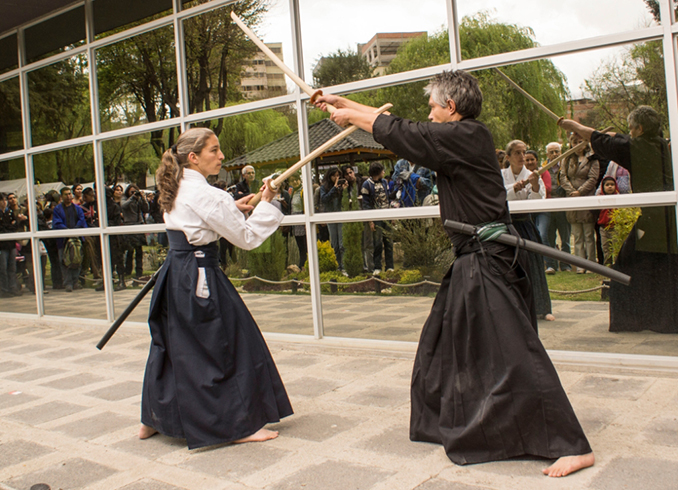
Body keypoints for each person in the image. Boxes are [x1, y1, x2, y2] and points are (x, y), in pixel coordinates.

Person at [315, 70, 593, 477]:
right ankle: (444, 421)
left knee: (515, 350)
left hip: (488, 258)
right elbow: (399, 128)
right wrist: (342, 105)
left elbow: (400, 131)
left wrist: (352, 114)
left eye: (432, 106)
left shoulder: (467, 136)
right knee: (440, 340)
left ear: (451, 107)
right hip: (474, 257)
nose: (428, 114)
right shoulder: (458, 139)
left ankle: (571, 443)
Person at [139, 127, 292, 448]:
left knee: (170, 344)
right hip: (200, 276)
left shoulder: (175, 186)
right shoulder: (209, 195)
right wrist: (268, 203)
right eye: (214, 150)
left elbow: (202, 217)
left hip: (176, 275)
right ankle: (238, 425)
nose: (221, 156)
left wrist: (234, 206)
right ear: (193, 157)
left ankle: (154, 419)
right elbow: (247, 238)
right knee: (227, 343)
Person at [559, 106, 677, 333]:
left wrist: (572, 125)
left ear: (640, 129)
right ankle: (661, 320)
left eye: (632, 129)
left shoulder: (637, 148)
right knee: (660, 268)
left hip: (654, 222)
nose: (630, 133)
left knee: (625, 269)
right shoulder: (661, 144)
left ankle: (633, 321)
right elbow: (615, 138)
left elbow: (601, 138)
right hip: (668, 219)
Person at [501, 140, 555, 321]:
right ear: (508, 157)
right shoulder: (500, 175)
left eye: (524, 152)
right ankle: (510, 307)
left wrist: (534, 186)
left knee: (532, 263)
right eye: (517, 153)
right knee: (507, 264)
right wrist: (513, 188)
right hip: (506, 225)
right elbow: (495, 195)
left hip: (525, 224)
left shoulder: (533, 175)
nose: (522, 157)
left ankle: (541, 308)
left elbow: (538, 202)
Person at [560, 133, 600, 273]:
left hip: (587, 197)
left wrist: (580, 192)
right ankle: (580, 265)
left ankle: (591, 264)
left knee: (589, 234)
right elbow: (563, 176)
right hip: (571, 199)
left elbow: (593, 178)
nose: (578, 145)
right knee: (577, 234)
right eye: (575, 142)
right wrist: (571, 191)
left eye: (580, 142)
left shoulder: (592, 159)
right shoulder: (567, 159)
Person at [361, 162, 394, 275]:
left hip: (387, 215)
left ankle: (390, 266)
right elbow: (365, 204)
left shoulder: (385, 182)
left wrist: (392, 215)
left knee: (389, 241)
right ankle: (377, 266)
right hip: (376, 217)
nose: (384, 172)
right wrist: (370, 220)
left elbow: (388, 199)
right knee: (377, 242)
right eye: (382, 171)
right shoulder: (367, 184)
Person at [545, 142, 573, 274]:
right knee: (550, 238)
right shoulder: (543, 169)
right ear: (547, 154)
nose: (555, 154)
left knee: (565, 238)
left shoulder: (566, 168)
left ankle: (566, 265)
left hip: (563, 206)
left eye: (557, 151)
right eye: (552, 152)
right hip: (549, 208)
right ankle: (552, 265)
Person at [52, 187, 87, 292]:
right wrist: (66, 231)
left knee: (77, 259)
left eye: (69, 194)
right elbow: (56, 223)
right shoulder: (57, 209)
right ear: (61, 196)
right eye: (66, 194)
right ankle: (68, 283)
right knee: (64, 261)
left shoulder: (77, 208)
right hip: (63, 240)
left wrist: (75, 231)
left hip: (76, 239)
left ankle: (75, 281)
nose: (68, 196)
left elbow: (81, 220)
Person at [319, 167, 347, 272]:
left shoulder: (341, 187)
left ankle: (344, 266)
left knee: (342, 243)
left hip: (340, 216)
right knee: (334, 243)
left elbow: (345, 201)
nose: (336, 178)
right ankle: (337, 266)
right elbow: (325, 199)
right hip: (330, 216)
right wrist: (334, 188)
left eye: (338, 175)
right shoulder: (324, 187)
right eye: (334, 175)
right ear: (329, 176)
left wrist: (344, 190)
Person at [121, 184, 148, 280]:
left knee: (139, 249)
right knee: (130, 249)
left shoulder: (138, 199)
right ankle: (128, 270)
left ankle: (139, 271)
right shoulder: (125, 198)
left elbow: (146, 209)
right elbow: (123, 206)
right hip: (129, 225)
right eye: (131, 191)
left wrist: (142, 198)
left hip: (139, 224)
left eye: (135, 191)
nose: (133, 193)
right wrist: (132, 197)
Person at [596, 176, 619, 266]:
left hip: (616, 227)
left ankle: (617, 266)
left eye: (612, 185)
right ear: (603, 187)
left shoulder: (619, 198)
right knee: (606, 248)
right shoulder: (599, 199)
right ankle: (607, 267)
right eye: (607, 185)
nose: (610, 187)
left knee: (616, 248)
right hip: (603, 227)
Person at [0, 193, 19, 297]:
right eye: (2, 200)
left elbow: (14, 225)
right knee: (3, 268)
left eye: (5, 200)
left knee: (12, 267)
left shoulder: (10, 213)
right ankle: (4, 289)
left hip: (11, 244)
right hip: (2, 246)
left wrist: (9, 227)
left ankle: (13, 287)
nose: (4, 203)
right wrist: (8, 226)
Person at [288, 173, 307, 269]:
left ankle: (304, 265)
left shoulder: (303, 191)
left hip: (302, 219)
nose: (295, 182)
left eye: (296, 179)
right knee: (300, 246)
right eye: (292, 180)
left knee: (305, 245)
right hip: (295, 221)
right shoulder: (292, 192)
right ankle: (302, 264)